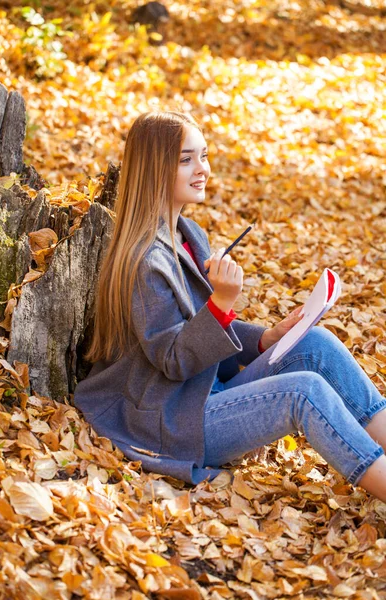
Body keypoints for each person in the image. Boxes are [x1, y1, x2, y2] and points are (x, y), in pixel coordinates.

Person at [74, 111, 386, 500]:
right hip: (172, 419)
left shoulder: (189, 235)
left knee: (317, 345)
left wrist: (266, 338)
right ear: (155, 169)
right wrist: (221, 302)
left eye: (203, 156)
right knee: (303, 391)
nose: (202, 169)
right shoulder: (142, 261)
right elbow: (175, 359)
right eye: (186, 159)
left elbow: (198, 327)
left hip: (207, 393)